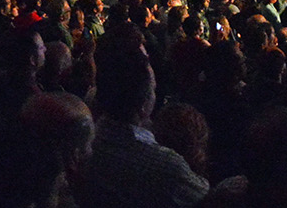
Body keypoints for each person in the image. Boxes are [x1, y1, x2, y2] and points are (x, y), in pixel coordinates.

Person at [79, 41, 207, 208]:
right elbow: (203, 194)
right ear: (144, 104)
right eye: (153, 89)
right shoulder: (167, 166)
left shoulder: (82, 146)